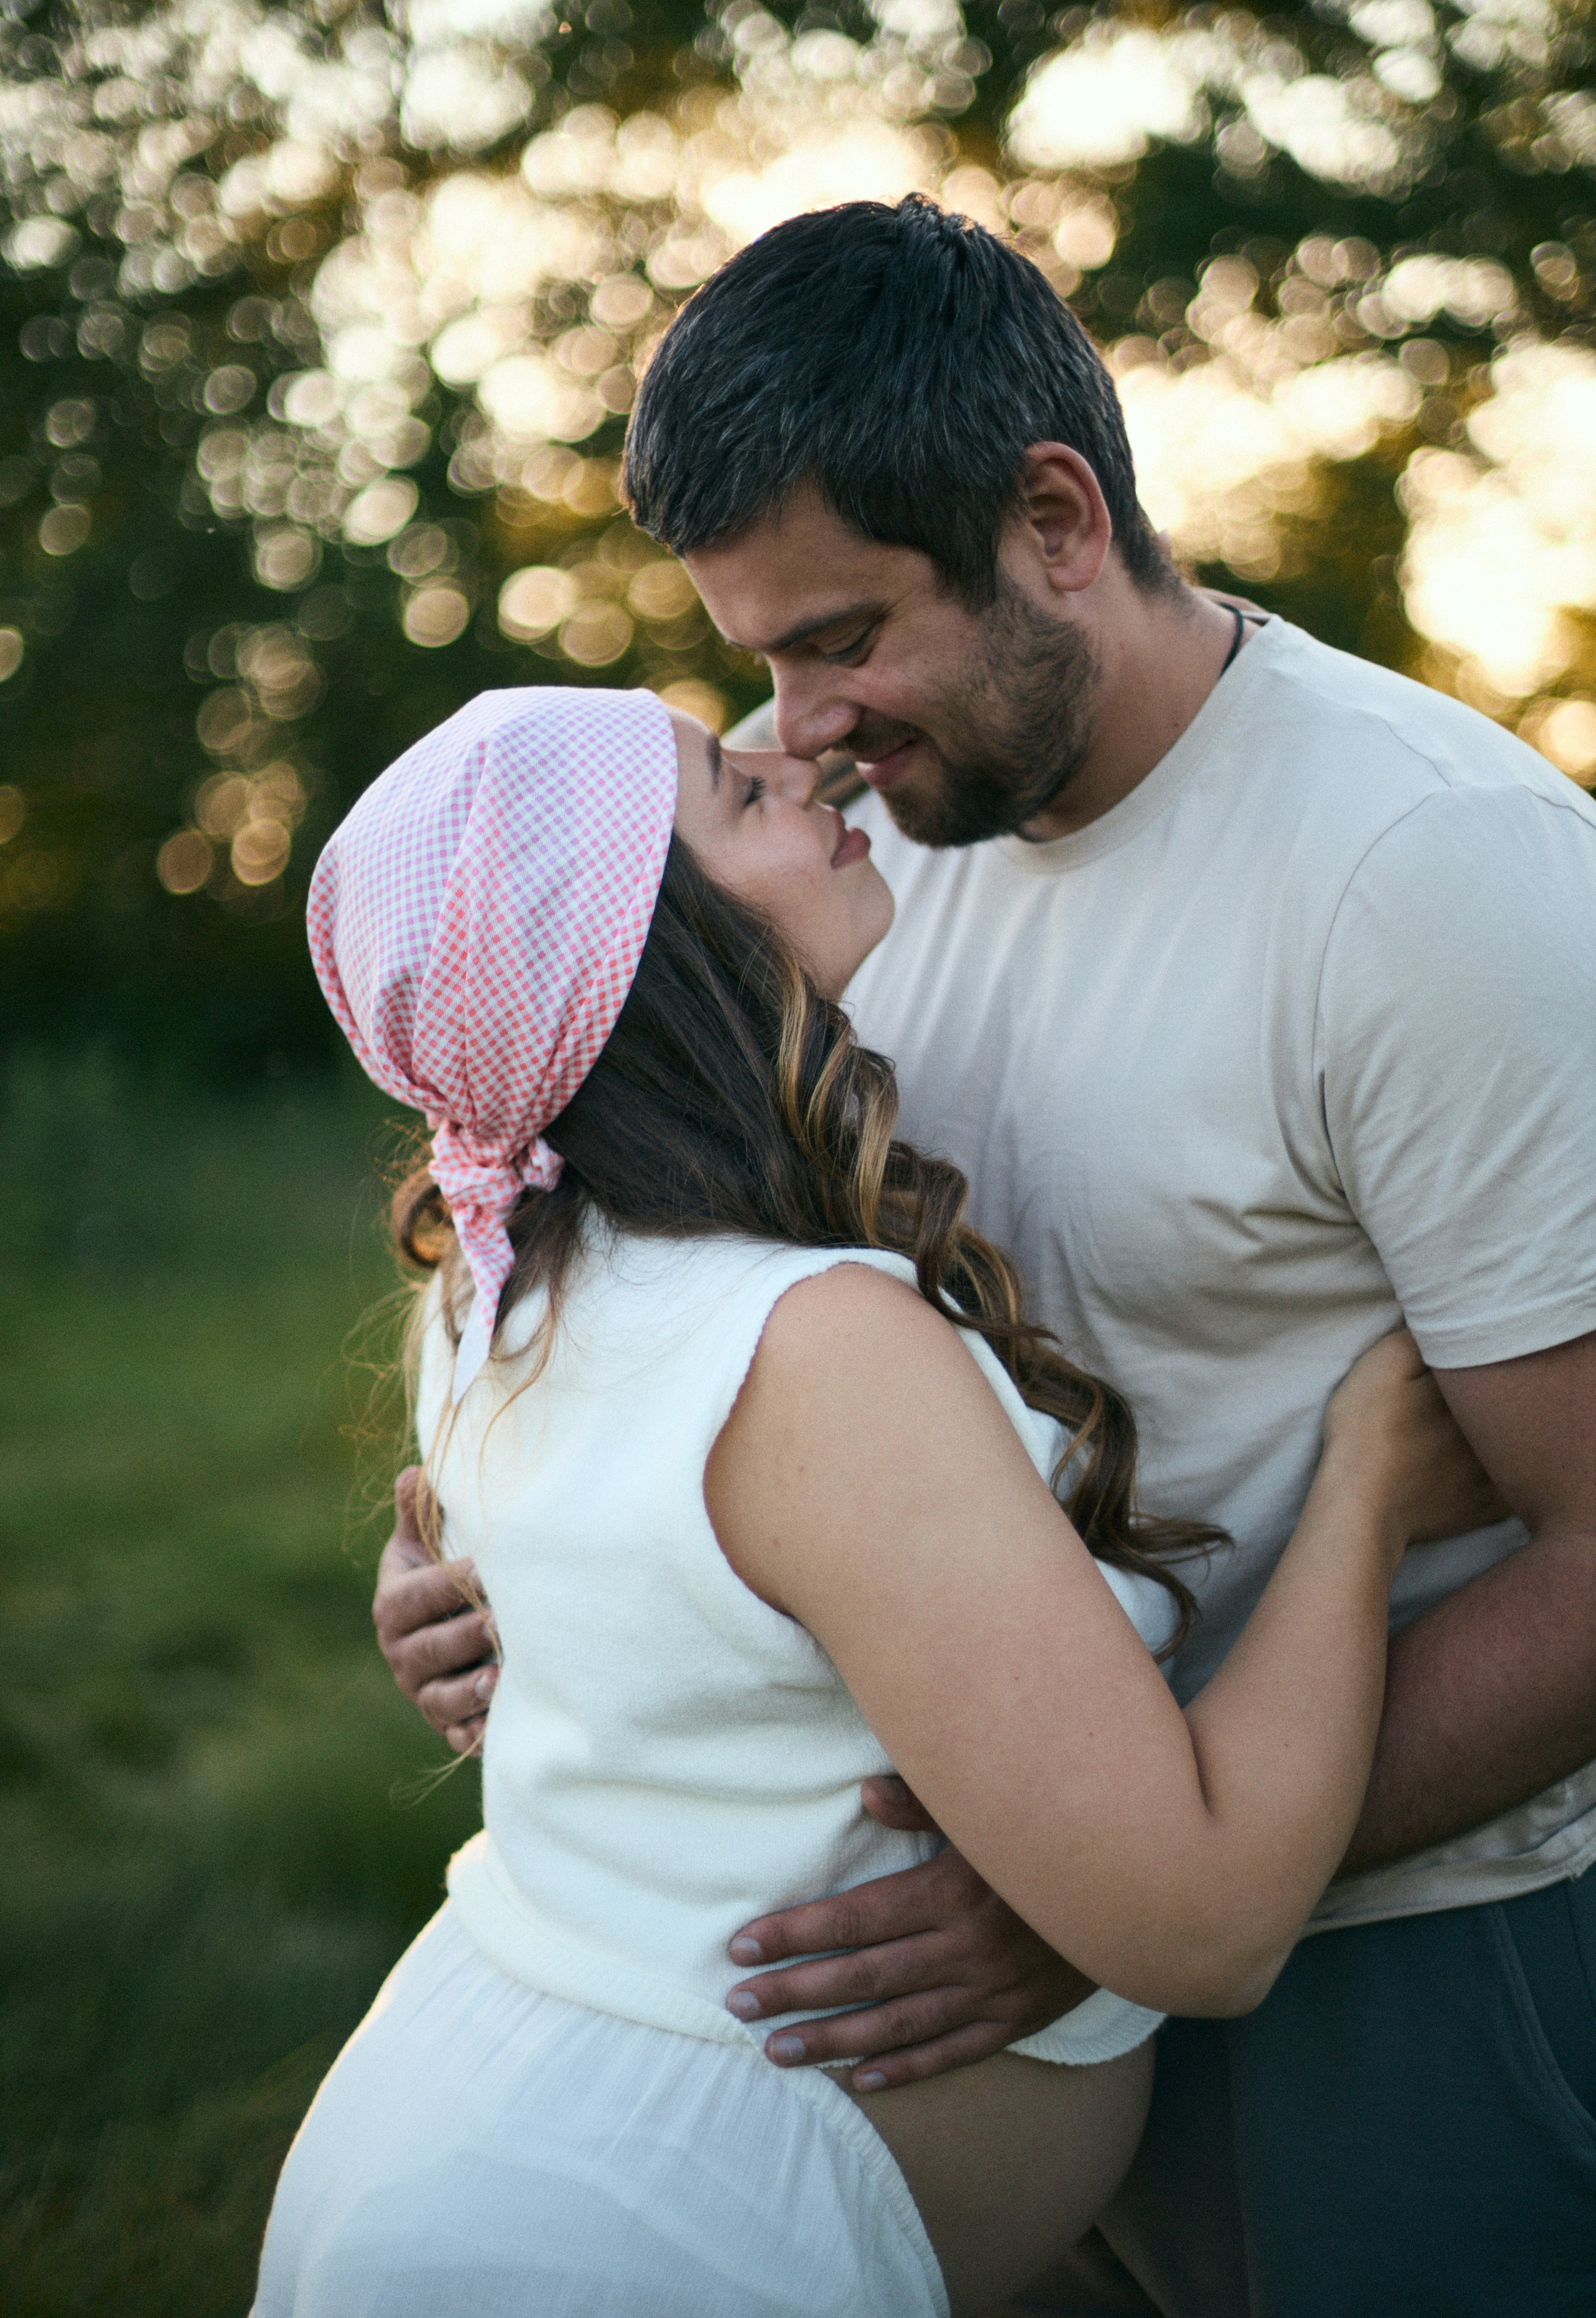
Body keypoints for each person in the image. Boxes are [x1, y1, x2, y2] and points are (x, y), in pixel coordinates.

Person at [379, 198, 1596, 2316]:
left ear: (1053, 521)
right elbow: (722, 1357)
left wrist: (1105, 1886)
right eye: (758, 658)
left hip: (1390, 1958)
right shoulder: (851, 869)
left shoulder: (1428, 873)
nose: (801, 725)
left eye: (843, 636)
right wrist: (524, 1572)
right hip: (933, 1995)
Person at [255, 684, 1496, 2318]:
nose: (797, 760)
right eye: (724, 780)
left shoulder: (511, 1278)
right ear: (648, 936)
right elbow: (1201, 1927)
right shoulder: (811, 1350)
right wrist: (1371, 1486)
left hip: (478, 2114)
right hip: (624, 2239)